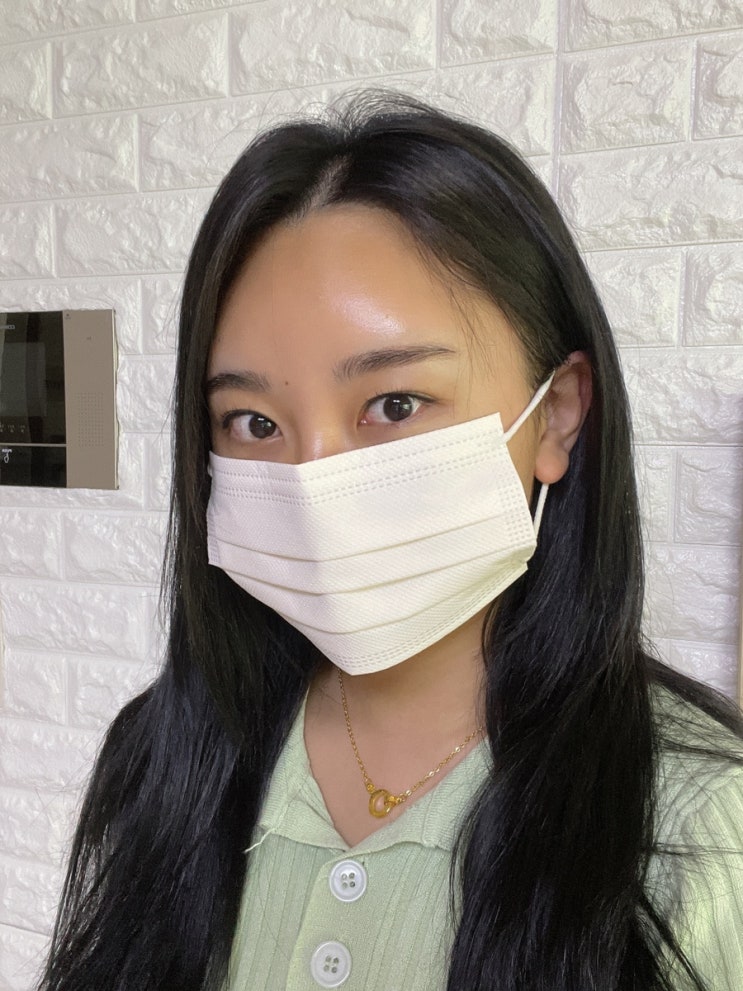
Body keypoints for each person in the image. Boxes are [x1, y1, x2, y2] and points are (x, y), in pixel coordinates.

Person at [38, 92, 743, 991]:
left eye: (395, 404)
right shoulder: (159, 758)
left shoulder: (694, 826)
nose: (314, 484)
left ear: (557, 414)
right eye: (253, 421)